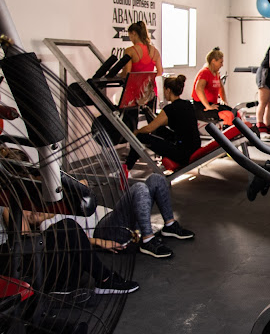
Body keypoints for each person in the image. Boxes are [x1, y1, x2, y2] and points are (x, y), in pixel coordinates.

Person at [39, 173, 195, 259]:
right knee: (139, 187)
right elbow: (62, 237)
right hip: (104, 230)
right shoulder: (50, 222)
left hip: (115, 217)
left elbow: (84, 184)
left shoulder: (64, 199)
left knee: (156, 179)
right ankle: (147, 240)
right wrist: (100, 242)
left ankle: (169, 225)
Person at [0, 206, 139, 294]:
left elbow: (26, 239)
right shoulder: (7, 208)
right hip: (11, 262)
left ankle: (101, 279)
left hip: (26, 261)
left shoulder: (9, 204)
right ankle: (105, 278)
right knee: (67, 228)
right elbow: (25, 243)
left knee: (70, 239)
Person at [124, 75, 200, 174]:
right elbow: (172, 123)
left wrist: (136, 131)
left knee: (139, 137)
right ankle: (128, 165)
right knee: (159, 130)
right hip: (193, 147)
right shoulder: (187, 104)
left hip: (183, 154)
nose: (164, 93)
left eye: (164, 90)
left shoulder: (170, 109)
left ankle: (126, 168)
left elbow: (149, 129)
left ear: (168, 90)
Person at [120, 21, 164, 131]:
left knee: (131, 121)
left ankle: (133, 146)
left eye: (130, 35)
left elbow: (127, 73)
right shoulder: (154, 51)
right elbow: (160, 71)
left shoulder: (130, 51)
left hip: (133, 91)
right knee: (152, 120)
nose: (130, 38)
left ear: (134, 33)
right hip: (149, 90)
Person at [191, 48, 233, 123]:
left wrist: (224, 100)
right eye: (221, 62)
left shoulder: (216, 73)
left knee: (235, 112)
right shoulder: (205, 72)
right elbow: (198, 89)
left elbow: (221, 87)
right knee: (228, 115)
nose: (222, 65)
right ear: (213, 61)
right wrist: (208, 106)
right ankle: (227, 134)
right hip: (201, 106)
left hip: (213, 104)